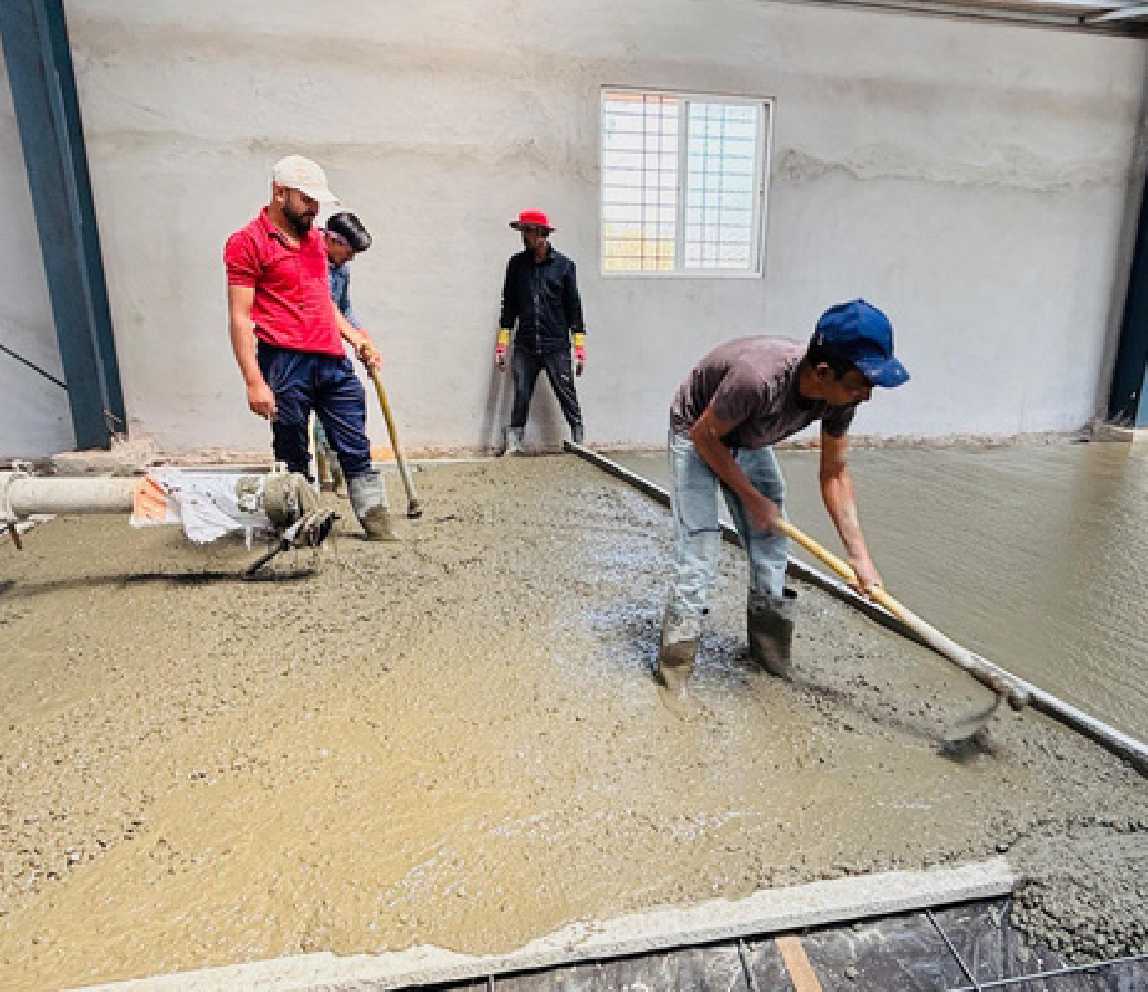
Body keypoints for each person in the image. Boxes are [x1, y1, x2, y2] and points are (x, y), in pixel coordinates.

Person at [657, 299, 910, 690]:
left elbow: (834, 474)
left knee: (772, 543)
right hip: (698, 432)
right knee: (699, 551)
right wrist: (752, 498)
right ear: (823, 373)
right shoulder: (757, 380)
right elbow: (705, 437)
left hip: (749, 435)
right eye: (860, 384)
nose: (866, 395)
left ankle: (768, 658)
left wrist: (860, 558)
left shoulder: (841, 397)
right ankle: (674, 672)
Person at [223, 154, 398, 541]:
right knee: (292, 447)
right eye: (306, 200)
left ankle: (377, 522)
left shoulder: (316, 241)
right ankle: (299, 527)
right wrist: (253, 380)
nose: (314, 209)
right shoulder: (246, 243)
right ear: (279, 193)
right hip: (284, 361)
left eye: (318, 201)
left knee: (355, 442)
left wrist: (357, 338)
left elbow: (326, 303)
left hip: (331, 359)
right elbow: (240, 317)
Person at [495, 209, 586, 454]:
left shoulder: (564, 267)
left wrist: (580, 350)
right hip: (525, 344)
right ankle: (515, 441)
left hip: (556, 345)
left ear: (542, 233)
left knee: (566, 392)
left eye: (528, 231)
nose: (524, 236)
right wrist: (502, 346)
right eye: (523, 231)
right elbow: (508, 307)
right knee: (521, 393)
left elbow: (574, 309)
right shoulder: (516, 266)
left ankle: (579, 438)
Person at [313, 211, 373, 494]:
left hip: (331, 348)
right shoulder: (310, 263)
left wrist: (362, 336)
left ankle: (339, 474)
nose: (351, 259)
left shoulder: (342, 271)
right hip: (303, 349)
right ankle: (317, 475)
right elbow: (324, 308)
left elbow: (344, 308)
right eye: (349, 252)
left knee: (340, 410)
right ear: (332, 240)